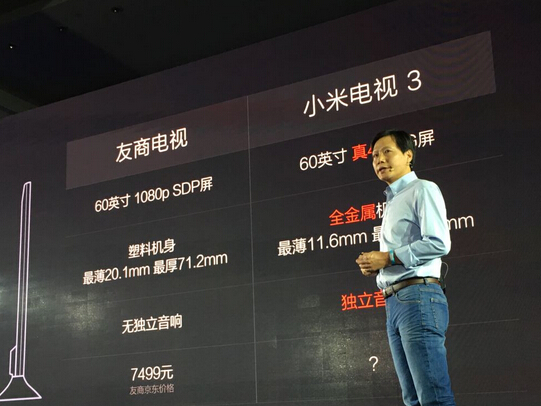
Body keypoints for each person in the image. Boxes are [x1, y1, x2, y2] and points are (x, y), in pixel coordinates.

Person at [356, 129, 456, 406]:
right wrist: (376, 266)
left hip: (418, 297)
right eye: (374, 155)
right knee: (413, 399)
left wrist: (388, 258)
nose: (379, 159)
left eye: (387, 152)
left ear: (408, 155)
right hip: (395, 302)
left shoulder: (422, 189)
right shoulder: (392, 200)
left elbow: (438, 243)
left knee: (434, 398)